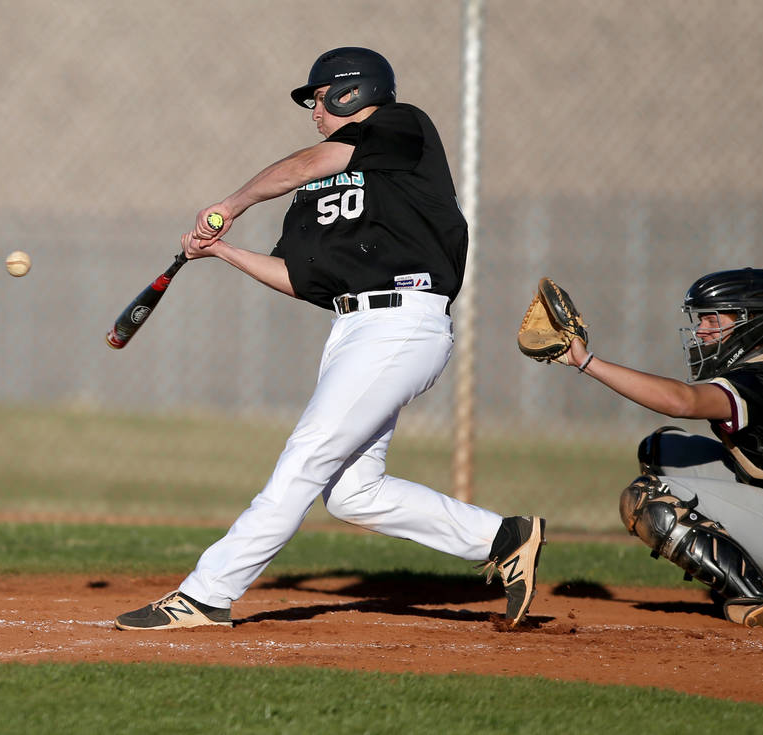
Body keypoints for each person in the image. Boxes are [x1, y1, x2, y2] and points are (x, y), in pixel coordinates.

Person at [115, 47, 546, 631]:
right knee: (351, 493)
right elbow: (299, 277)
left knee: (308, 454)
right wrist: (222, 250)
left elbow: (308, 162)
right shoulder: (315, 197)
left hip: (402, 320)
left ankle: (207, 593)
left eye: (317, 98)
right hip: (352, 329)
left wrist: (232, 204)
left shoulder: (401, 127)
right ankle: (501, 537)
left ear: (349, 93)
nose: (313, 110)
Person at [557, 267, 763, 628]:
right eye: (701, 318)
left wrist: (586, 361)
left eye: (713, 319)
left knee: (649, 503)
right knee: (660, 449)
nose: (702, 329)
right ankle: (761, 577)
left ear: (749, 319)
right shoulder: (762, 361)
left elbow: (683, 402)